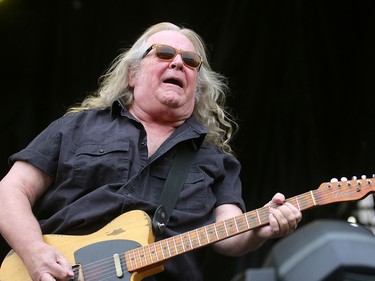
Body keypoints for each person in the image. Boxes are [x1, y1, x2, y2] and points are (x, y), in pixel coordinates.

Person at [0, 22, 302, 281]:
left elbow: (229, 235)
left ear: (197, 88)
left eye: (190, 60)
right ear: (133, 74)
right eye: (165, 54)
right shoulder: (77, 127)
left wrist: (261, 227)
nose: (178, 63)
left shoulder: (216, 161)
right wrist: (34, 252)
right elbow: (11, 189)